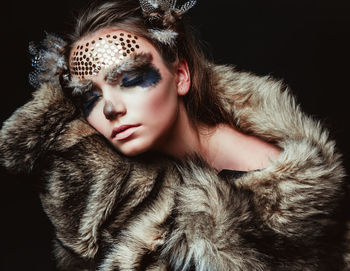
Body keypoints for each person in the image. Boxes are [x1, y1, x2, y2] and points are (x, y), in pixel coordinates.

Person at [1, 0, 349, 270]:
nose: (109, 108)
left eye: (129, 78)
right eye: (90, 97)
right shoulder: (111, 177)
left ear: (181, 75)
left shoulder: (266, 186)